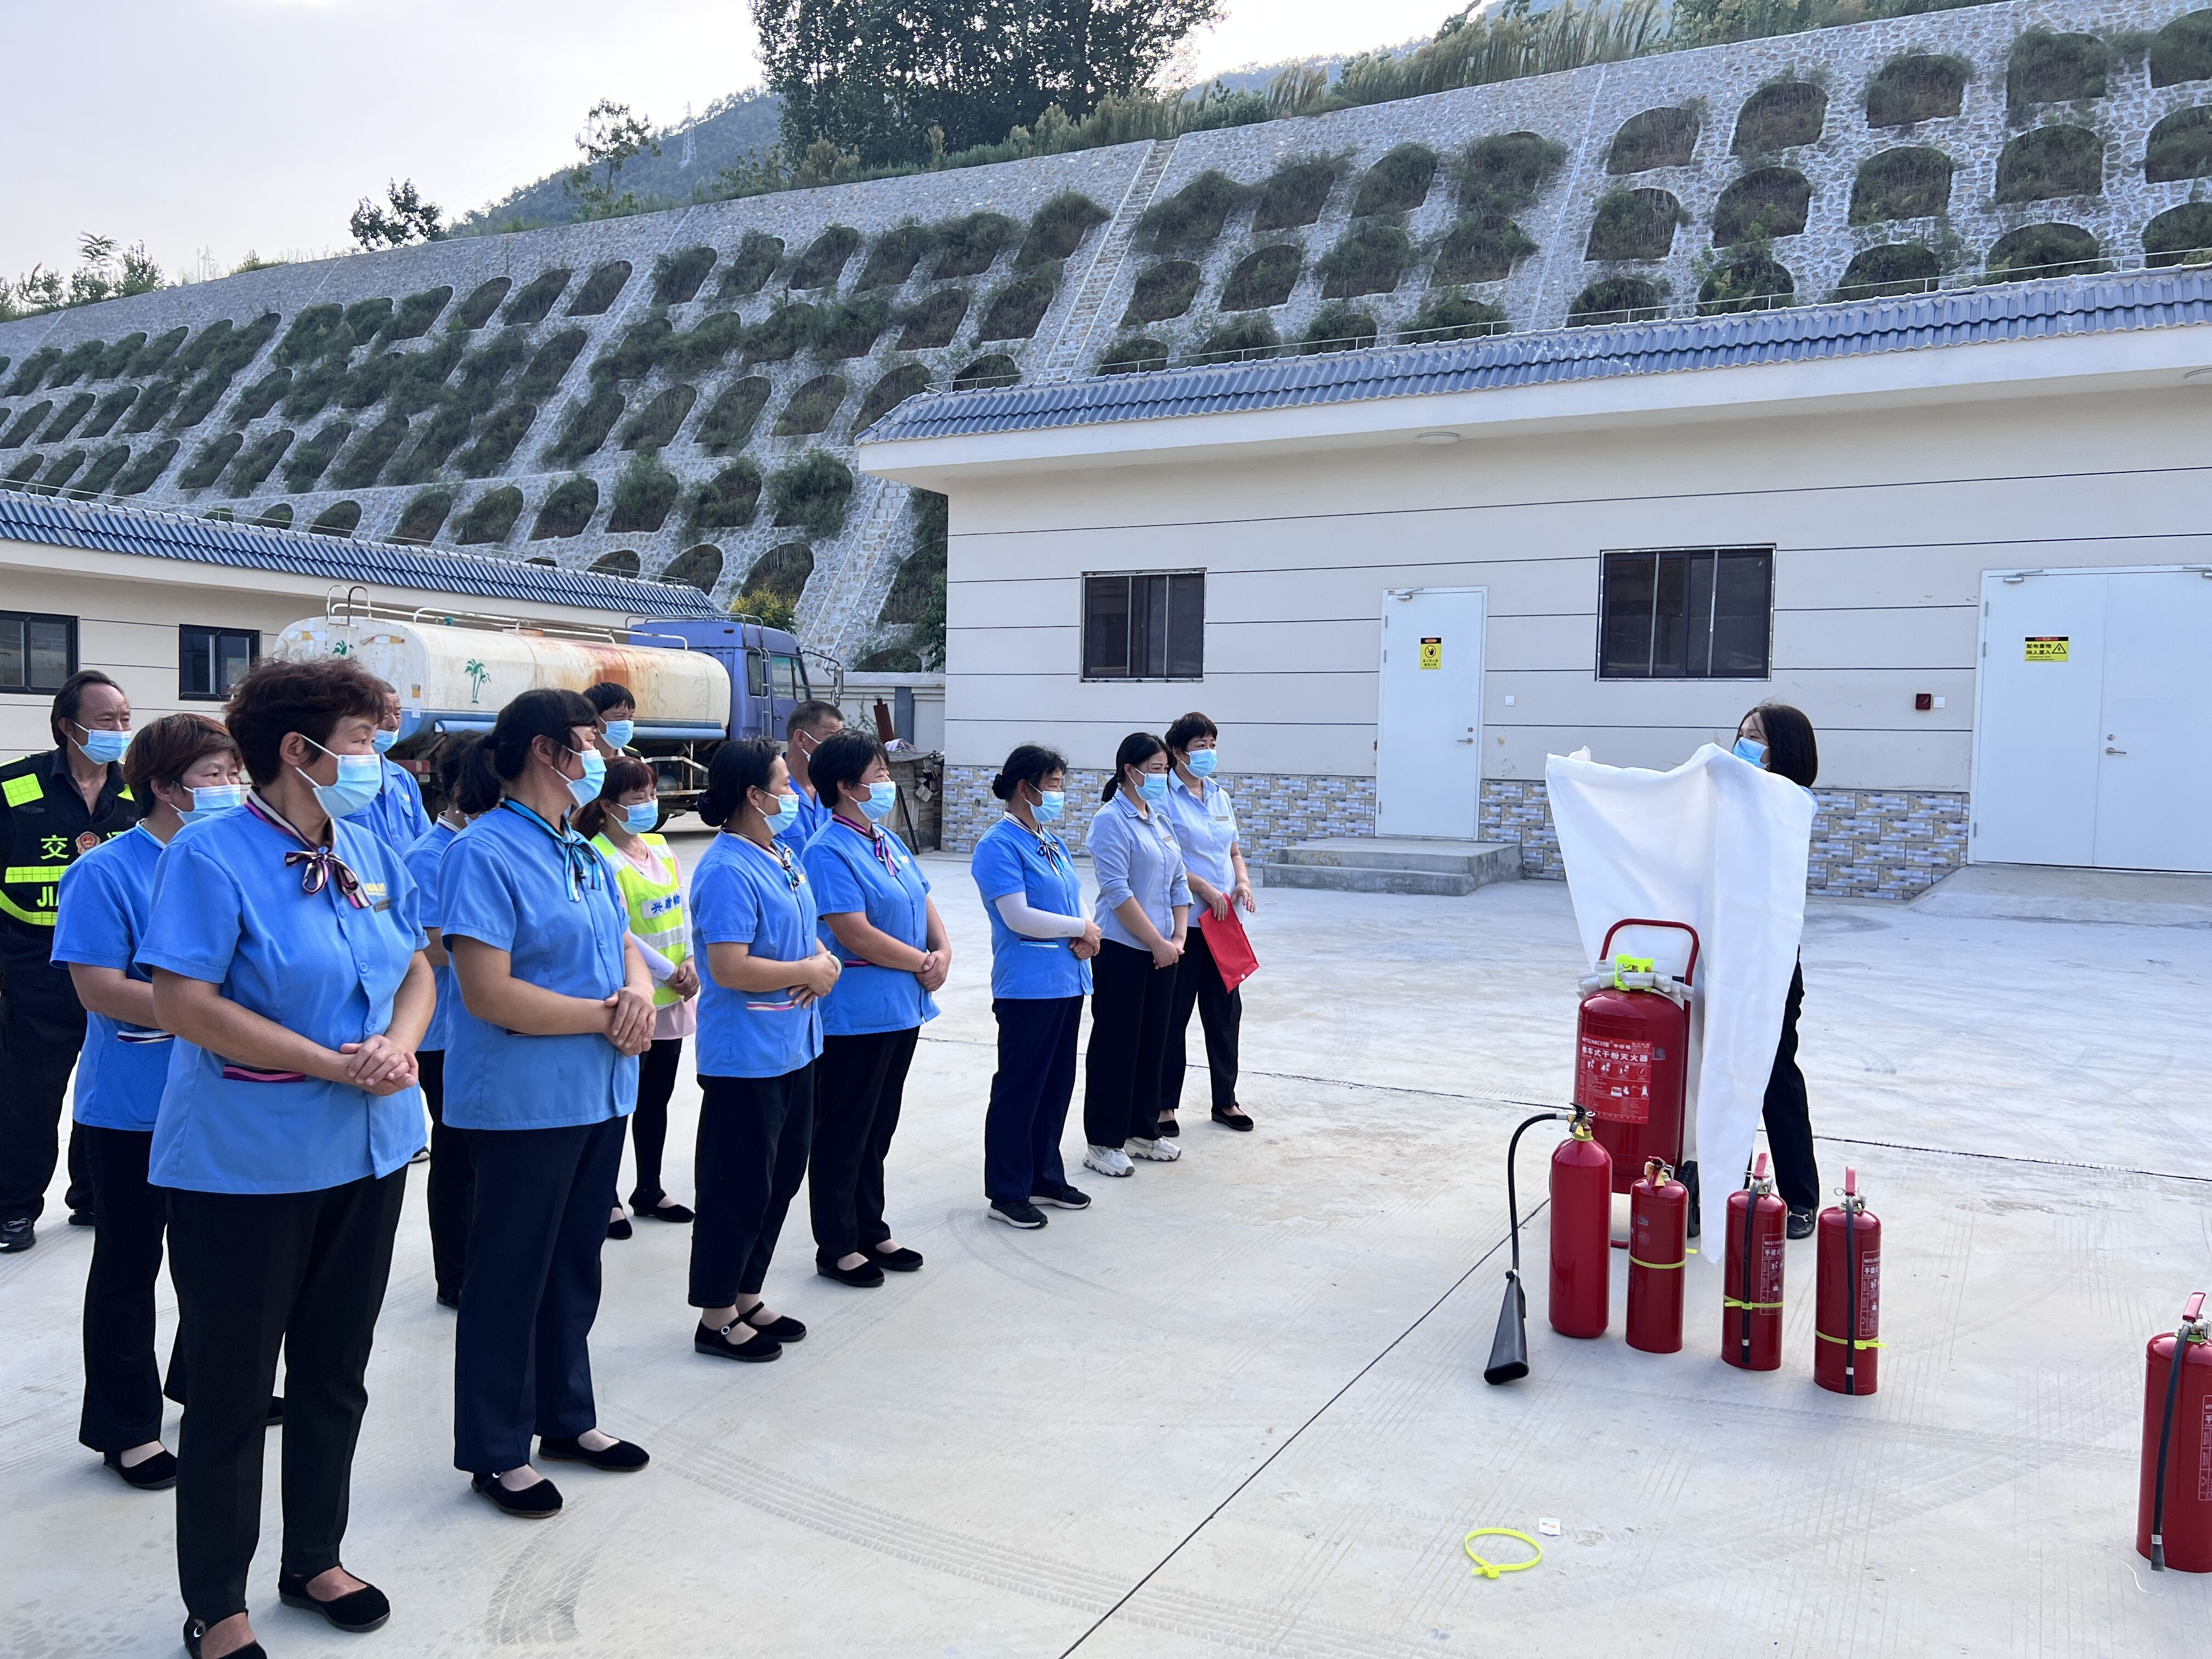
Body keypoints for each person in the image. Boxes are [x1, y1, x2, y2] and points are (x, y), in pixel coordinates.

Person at [140, 656, 433, 1658]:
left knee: (335, 1368)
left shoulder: (366, 845)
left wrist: (397, 1044)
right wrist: (331, 1063)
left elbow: (418, 965)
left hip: (368, 1149)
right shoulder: (212, 855)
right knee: (231, 1388)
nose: (377, 756)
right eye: (360, 739)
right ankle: (216, 1600)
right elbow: (184, 1002)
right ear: (298, 750)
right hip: (249, 1161)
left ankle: (315, 1557)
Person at [439, 689, 656, 1519]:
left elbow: (624, 941)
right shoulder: (485, 852)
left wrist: (638, 993)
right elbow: (489, 993)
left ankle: (566, 1417)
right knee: (510, 1274)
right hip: (525, 1099)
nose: (601, 755)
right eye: (589, 741)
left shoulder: (579, 847)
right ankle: (497, 1448)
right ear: (544, 749)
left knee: (573, 1265)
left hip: (597, 1088)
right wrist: (608, 1016)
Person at [52, 713, 243, 1492]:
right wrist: (211, 1014)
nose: (231, 788)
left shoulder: (234, 862)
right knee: (130, 1265)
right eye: (213, 776)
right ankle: (125, 1426)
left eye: (234, 773)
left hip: (223, 1094)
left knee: (220, 1258)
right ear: (165, 787)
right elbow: (99, 988)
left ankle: (205, 1384)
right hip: (135, 1103)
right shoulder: (106, 872)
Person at [687, 738, 838, 1359]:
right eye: (783, 784)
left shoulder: (780, 853)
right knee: (738, 1184)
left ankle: (747, 1292)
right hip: (747, 1052)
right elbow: (729, 967)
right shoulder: (726, 869)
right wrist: (808, 970)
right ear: (753, 795)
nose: (794, 794)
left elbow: (804, 931)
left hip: (794, 1044)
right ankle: (716, 1313)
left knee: (780, 1176)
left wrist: (822, 962)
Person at [800, 731, 946, 1285]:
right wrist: (920, 961)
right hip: (857, 1013)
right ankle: (837, 1243)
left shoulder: (884, 839)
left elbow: (922, 897)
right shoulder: (828, 850)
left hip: (902, 1006)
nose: (887, 782)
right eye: (879, 774)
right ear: (845, 786)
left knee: (879, 1124)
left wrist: (942, 950)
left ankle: (870, 1227)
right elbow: (854, 933)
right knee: (845, 1128)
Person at [0, 668, 134, 1251]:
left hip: (115, 970)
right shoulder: (14, 788)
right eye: (106, 721)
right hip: (35, 971)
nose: (119, 730)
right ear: (67, 727)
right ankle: (13, 1209)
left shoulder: (139, 793)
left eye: (125, 720)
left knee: (103, 1089)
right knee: (27, 1097)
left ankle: (93, 1196)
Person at [970, 746, 1099, 1229]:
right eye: (1055, 784)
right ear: (1026, 788)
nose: (1060, 793)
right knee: (1021, 1087)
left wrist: (1087, 931)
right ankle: (1007, 1190)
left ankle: (1045, 1174)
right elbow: (1018, 915)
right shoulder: (998, 845)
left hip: (1067, 979)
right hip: (1028, 985)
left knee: (1055, 1084)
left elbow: (1074, 897)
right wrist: (1079, 929)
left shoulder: (1050, 841)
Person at [579, 754, 699, 1236]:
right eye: (638, 797)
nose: (650, 803)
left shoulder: (659, 846)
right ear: (609, 806)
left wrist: (690, 961)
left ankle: (649, 1186)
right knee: (619, 1102)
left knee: (656, 1100)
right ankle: (604, 1197)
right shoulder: (599, 857)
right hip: (634, 998)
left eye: (652, 794)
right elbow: (620, 932)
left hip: (673, 997)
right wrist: (669, 972)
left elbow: (681, 909)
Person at [1081, 733, 1191, 1180]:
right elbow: (1117, 891)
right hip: (1124, 950)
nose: (1163, 777)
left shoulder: (1158, 818)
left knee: (1153, 1042)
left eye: (1166, 769)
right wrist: (1157, 942)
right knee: (1117, 1045)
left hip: (1165, 951)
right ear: (1130, 771)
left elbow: (1179, 881)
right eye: (1156, 769)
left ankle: (1143, 1130)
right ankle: (1104, 1140)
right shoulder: (1111, 821)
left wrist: (1177, 937)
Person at [1735, 702, 1822, 1240]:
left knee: (1775, 1079)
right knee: (1720, 1073)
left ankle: (1800, 1198)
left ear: (1785, 749)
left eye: (1757, 738)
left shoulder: (1792, 803)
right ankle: (1723, 1183)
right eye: (1742, 734)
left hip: (1773, 962)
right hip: (1727, 957)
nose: (1745, 744)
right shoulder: (1733, 797)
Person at [402, 736, 482, 1309]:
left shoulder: (482, 847)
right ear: (459, 788)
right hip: (443, 1031)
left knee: (480, 1154)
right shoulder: (427, 857)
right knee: (455, 1154)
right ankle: (454, 1274)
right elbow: (428, 947)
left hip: (478, 1025)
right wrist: (497, 953)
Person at [1158, 713, 1256, 1137]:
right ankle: (1164, 1105)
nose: (1209, 753)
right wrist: (1205, 889)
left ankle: (1226, 1100)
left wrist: (1242, 883)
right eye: (1201, 745)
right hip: (1185, 924)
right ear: (1178, 752)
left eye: (1213, 744)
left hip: (1224, 924)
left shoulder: (1219, 796)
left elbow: (1233, 851)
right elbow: (1168, 859)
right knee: (1173, 1016)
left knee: (1225, 1016)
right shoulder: (1163, 797)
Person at [357, 681, 432, 854]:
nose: (394, 724)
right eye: (385, 715)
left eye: (397, 714)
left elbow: (424, 842)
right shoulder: (345, 779)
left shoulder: (404, 779)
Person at [777, 699, 845, 854]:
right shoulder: (769, 788)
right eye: (831, 739)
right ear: (801, 738)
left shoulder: (838, 787)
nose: (837, 747)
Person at [585, 681, 637, 759]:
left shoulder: (634, 758)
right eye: (619, 717)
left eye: (631, 716)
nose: (627, 723)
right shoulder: (577, 760)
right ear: (594, 718)